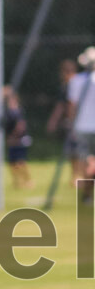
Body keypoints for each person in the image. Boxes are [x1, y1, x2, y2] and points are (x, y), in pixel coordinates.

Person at [46, 58, 80, 184]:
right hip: (83, 122)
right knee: (76, 151)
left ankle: (77, 176)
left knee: (75, 150)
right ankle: (76, 175)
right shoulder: (83, 82)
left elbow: (62, 106)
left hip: (75, 122)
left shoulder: (69, 86)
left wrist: (53, 121)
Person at [67, 46, 95, 201]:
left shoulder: (76, 81)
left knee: (85, 160)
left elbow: (72, 106)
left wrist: (71, 124)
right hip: (86, 126)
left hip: (82, 126)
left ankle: (87, 194)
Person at [3, 86, 33, 189]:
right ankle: (17, 182)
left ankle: (28, 180)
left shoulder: (17, 111)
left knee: (20, 162)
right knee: (12, 163)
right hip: (12, 140)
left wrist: (13, 137)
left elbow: (21, 126)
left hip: (20, 140)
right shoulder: (8, 111)